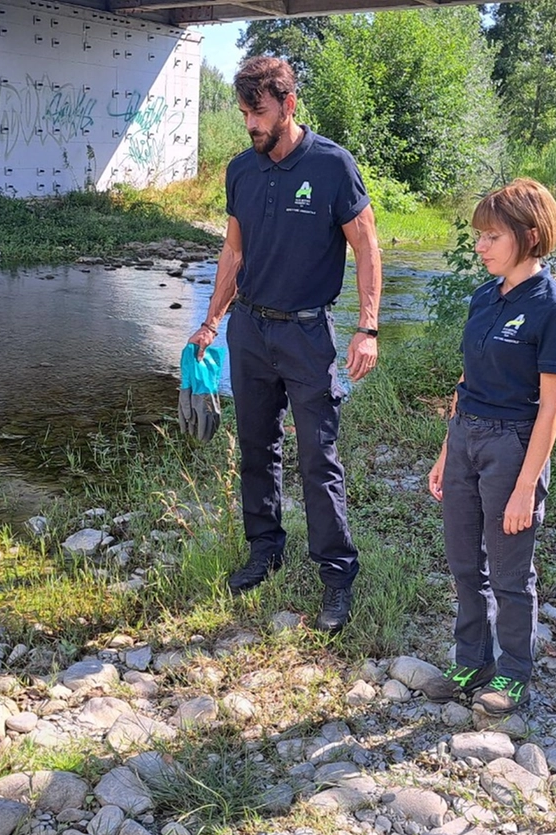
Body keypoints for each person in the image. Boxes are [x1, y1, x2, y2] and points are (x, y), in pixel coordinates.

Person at [186, 56, 382, 634]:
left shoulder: (331, 166)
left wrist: (367, 327)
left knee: (318, 457)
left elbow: (368, 248)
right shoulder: (241, 171)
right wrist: (211, 321)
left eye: (259, 111)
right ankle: (264, 552)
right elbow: (233, 253)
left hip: (305, 333)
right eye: (244, 111)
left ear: (288, 104)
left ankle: (337, 577)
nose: (249, 123)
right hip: (249, 329)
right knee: (255, 447)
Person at [418, 179, 556, 715]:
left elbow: (553, 406)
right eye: (480, 236)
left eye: (492, 236)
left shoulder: (555, 309)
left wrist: (525, 487)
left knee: (511, 575)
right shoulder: (484, 296)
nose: (480, 246)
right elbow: (468, 377)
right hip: (467, 435)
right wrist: (447, 451)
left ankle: (514, 673)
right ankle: (472, 661)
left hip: (513, 446)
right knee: (465, 564)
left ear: (529, 235)